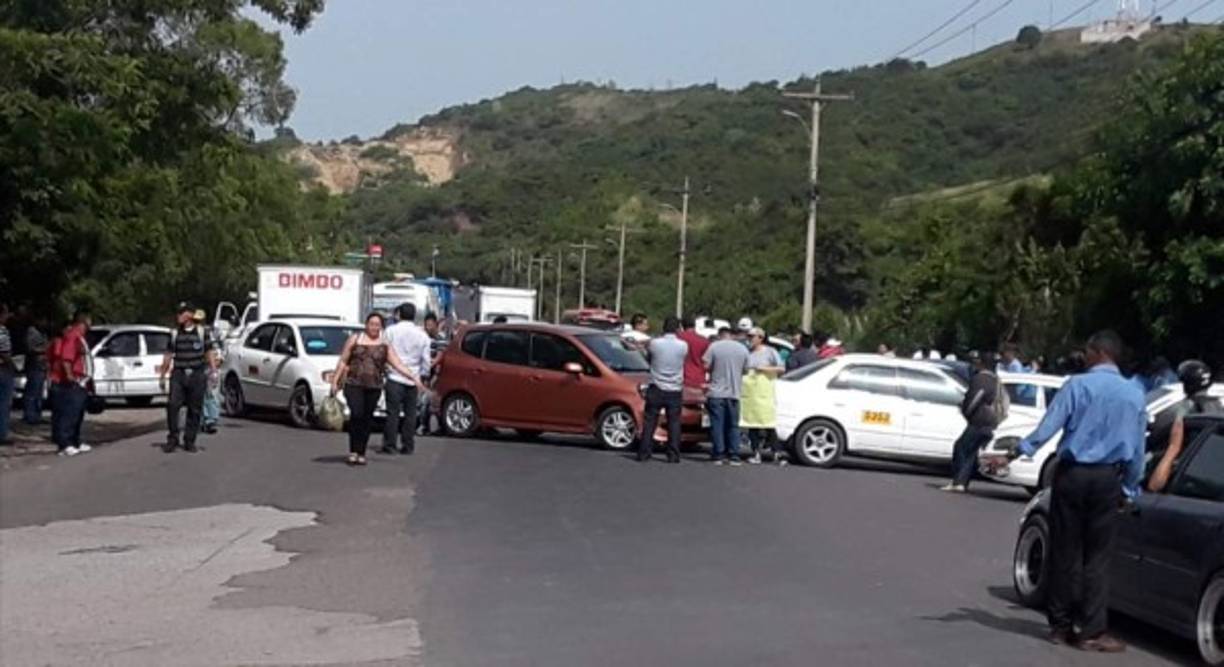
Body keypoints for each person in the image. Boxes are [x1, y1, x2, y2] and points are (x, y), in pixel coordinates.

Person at [1012, 330, 1146, 652]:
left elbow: (1048, 427)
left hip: (1071, 475)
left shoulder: (1077, 385)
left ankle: (1059, 626)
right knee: (1097, 559)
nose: (1083, 358)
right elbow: (1137, 448)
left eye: (1087, 352)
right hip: (1105, 480)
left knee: (1065, 551)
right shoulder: (1135, 394)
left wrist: (1018, 450)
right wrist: (1129, 488)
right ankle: (1090, 631)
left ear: (1099, 353)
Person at [330, 312, 418, 465]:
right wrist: (335, 381)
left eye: (377, 325)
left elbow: (396, 363)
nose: (374, 327)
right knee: (356, 414)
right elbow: (343, 361)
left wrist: (412, 377)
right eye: (371, 324)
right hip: (353, 384)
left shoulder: (384, 344)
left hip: (374, 386)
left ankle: (361, 452)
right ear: (366, 324)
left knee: (367, 418)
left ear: (381, 327)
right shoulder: (355, 339)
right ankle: (353, 451)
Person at [1149, 360, 1221, 493]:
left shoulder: (1185, 409)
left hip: (1192, 478)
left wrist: (1172, 448)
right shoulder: (1217, 406)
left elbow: (1154, 486)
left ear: (1185, 384)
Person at [159, 303, 218, 453]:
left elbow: (209, 351)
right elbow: (168, 355)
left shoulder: (201, 332)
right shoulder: (174, 334)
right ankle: (172, 438)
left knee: (195, 408)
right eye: (178, 313)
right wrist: (162, 374)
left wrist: (213, 371)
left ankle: (189, 440)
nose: (178, 316)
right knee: (173, 405)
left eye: (182, 313)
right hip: (178, 373)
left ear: (190, 315)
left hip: (197, 374)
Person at [942, 351, 1000, 492]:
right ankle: (962, 482)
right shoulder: (996, 380)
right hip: (990, 421)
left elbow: (974, 399)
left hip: (979, 420)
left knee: (961, 447)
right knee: (970, 451)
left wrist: (966, 411)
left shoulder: (981, 379)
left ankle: (958, 481)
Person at [382, 303, 432, 455]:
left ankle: (390, 444)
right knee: (411, 414)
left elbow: (384, 350)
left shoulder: (391, 331)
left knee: (392, 413)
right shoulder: (422, 335)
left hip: (394, 376)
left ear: (399, 314)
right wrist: (424, 376)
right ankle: (408, 444)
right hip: (413, 378)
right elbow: (426, 360)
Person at [636, 316, 688, 463]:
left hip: (656, 385)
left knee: (650, 421)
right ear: (678, 329)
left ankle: (644, 452)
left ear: (663, 328)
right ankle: (673, 454)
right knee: (674, 422)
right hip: (675, 387)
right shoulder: (683, 345)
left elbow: (649, 358)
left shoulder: (655, 343)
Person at [48, 313, 93, 456]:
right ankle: (65, 443)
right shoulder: (72, 336)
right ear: (83, 322)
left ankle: (75, 440)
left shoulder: (80, 337)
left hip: (83, 381)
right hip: (74, 381)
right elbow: (66, 358)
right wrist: (70, 376)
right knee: (69, 414)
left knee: (78, 413)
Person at [703, 327, 750, 466]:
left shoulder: (714, 347)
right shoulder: (742, 349)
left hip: (717, 392)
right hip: (734, 392)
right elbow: (746, 370)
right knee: (733, 425)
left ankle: (719, 454)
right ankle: (734, 454)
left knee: (717, 423)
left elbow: (705, 365)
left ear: (720, 336)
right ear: (731, 335)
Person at [741, 327, 787, 465]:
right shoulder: (747, 353)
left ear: (760, 338)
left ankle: (777, 454)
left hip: (765, 393)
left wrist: (764, 369)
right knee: (752, 424)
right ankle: (755, 453)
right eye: (748, 337)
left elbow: (781, 368)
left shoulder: (770, 352)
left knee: (768, 424)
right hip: (751, 394)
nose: (749, 339)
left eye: (752, 337)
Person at [193, 310, 222, 435]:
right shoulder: (193, 333)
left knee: (211, 394)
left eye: (199, 321)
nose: (198, 323)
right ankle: (202, 420)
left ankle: (211, 420)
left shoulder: (212, 334)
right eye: (196, 321)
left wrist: (215, 366)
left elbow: (219, 351)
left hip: (211, 367)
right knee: (199, 395)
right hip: (198, 367)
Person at [416, 312, 442, 435]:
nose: (428, 327)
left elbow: (440, 355)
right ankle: (422, 425)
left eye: (430, 325)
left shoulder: (440, 339)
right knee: (422, 401)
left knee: (431, 402)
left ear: (436, 325)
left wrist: (430, 364)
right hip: (422, 374)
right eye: (426, 325)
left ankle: (429, 426)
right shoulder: (421, 338)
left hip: (433, 375)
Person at [22, 314, 49, 425]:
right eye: (43, 320)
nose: (45, 323)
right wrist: (45, 349)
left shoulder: (42, 333)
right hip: (34, 365)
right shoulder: (32, 332)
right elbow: (30, 348)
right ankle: (29, 415)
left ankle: (37, 415)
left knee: (39, 392)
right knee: (32, 392)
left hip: (42, 365)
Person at [676, 315, 710, 390]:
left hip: (680, 379)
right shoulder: (704, 341)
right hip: (698, 379)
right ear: (694, 325)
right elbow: (707, 363)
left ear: (682, 325)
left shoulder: (677, 338)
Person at [0, 304, 13, 444]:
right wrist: (13, 364)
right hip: (3, 369)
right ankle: (2, 434)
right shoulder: (2, 331)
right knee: (4, 403)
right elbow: (4, 352)